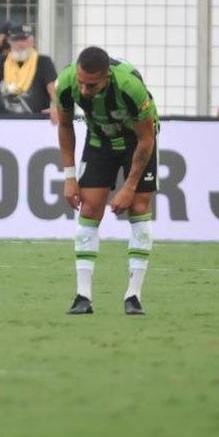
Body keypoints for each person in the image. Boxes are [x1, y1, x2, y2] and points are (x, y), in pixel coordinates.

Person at [56, 47, 159, 316]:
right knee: (89, 209)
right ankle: (82, 296)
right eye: (81, 82)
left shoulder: (129, 87)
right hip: (99, 140)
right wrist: (69, 177)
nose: (84, 89)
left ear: (107, 78)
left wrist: (129, 186)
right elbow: (65, 126)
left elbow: (147, 139)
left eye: (92, 85)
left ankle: (133, 296)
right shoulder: (66, 83)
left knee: (138, 207)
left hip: (137, 142)